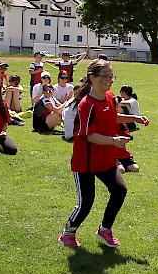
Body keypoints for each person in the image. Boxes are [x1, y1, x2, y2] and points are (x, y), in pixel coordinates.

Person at [59, 59, 149, 249]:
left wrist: (134, 118)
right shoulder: (86, 105)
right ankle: (68, 233)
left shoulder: (109, 96)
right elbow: (88, 135)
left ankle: (105, 229)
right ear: (92, 78)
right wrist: (113, 141)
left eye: (111, 76)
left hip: (105, 159)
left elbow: (112, 116)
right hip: (85, 162)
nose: (109, 80)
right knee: (86, 203)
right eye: (105, 76)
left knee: (119, 190)